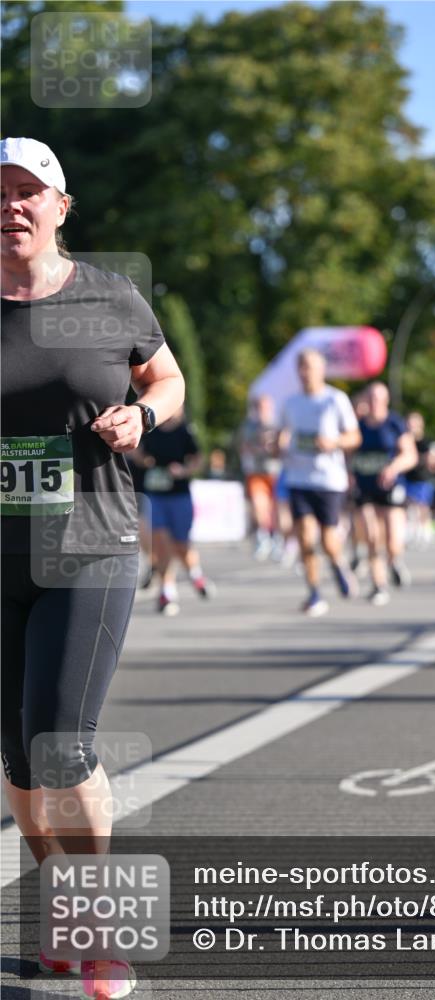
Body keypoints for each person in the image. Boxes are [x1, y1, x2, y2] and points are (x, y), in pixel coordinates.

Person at [1, 137, 185, 997]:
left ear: (60, 207)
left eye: (27, 192)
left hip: (89, 546)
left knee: (60, 743)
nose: (11, 206)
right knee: (16, 754)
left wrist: (143, 417)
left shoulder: (109, 297)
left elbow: (168, 379)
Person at [279, 349, 361, 616]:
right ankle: (314, 593)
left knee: (327, 539)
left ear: (322, 370)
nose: (306, 372)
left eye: (311, 367)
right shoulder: (291, 403)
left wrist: (334, 442)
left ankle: (338, 564)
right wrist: (276, 444)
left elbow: (354, 437)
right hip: (298, 477)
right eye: (302, 367)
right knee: (305, 536)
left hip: (329, 479)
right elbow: (281, 436)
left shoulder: (335, 399)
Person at [130, 407, 214, 615]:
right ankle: (167, 591)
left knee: (180, 545)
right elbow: (138, 454)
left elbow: (198, 459)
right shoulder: (150, 430)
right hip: (155, 495)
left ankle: (195, 574)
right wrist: (144, 459)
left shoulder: (185, 431)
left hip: (179, 496)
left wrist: (184, 471)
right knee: (161, 542)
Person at [351, 384, 417, 605]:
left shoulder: (394, 424)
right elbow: (347, 453)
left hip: (390, 488)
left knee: (392, 540)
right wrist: (348, 473)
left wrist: (393, 468)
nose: (374, 403)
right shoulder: (358, 425)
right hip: (365, 488)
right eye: (370, 398)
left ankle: (394, 561)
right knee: (371, 536)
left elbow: (410, 456)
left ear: (386, 401)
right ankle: (378, 585)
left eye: (378, 399)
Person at [238, 395, 281, 560]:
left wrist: (272, 446)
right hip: (256, 472)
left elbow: (283, 448)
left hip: (275, 472)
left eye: (265, 407)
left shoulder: (278, 425)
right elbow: (244, 447)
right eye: (259, 407)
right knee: (259, 506)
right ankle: (263, 537)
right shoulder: (248, 426)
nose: (262, 411)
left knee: (276, 509)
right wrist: (258, 446)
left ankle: (277, 538)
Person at [405, 411, 435, 548]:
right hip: (408, 479)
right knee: (410, 506)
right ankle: (412, 531)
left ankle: (424, 531)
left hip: (423, 479)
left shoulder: (427, 442)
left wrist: (423, 459)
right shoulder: (405, 440)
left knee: (422, 505)